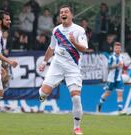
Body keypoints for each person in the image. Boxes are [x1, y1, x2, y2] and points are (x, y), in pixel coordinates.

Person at [38, 5, 88, 135]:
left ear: (71, 15)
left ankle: (76, 128)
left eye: (66, 12)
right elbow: (51, 48)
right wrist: (44, 62)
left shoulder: (79, 30)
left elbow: (84, 49)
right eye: (61, 13)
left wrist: (74, 42)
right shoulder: (56, 30)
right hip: (57, 65)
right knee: (43, 93)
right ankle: (44, 92)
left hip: (73, 68)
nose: (63, 14)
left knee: (76, 98)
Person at [96, 42, 124, 114]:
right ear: (114, 49)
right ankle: (99, 105)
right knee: (107, 93)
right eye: (116, 48)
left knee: (120, 94)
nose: (117, 49)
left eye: (119, 48)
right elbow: (108, 67)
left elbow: (122, 67)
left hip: (119, 79)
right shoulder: (111, 57)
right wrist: (117, 65)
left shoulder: (122, 57)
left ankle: (120, 110)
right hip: (111, 79)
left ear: (120, 49)